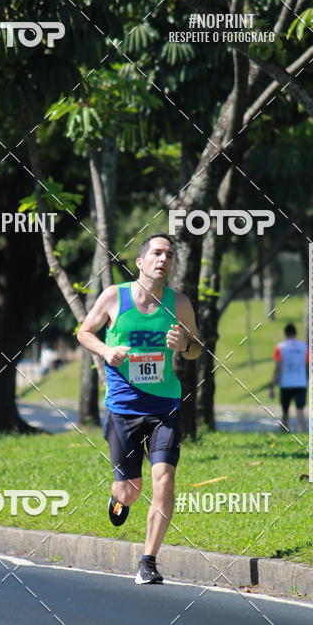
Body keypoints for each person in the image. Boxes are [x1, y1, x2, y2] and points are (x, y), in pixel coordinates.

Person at [77, 233, 201, 584]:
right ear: (140, 262)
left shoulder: (179, 304)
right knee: (130, 491)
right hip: (124, 408)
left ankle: (148, 561)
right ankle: (118, 498)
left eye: (169, 255)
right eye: (157, 253)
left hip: (164, 407)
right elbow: (84, 332)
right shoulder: (114, 297)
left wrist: (185, 344)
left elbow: (197, 349)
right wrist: (106, 351)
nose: (164, 259)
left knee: (165, 480)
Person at [269, 323, 309, 432]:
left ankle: (284, 432)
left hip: (286, 383)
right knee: (300, 410)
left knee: (285, 411)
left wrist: (272, 386)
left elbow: (278, 368)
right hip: (300, 382)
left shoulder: (280, 347)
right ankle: (302, 431)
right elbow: (307, 365)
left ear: (285, 334)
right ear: (295, 333)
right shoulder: (304, 347)